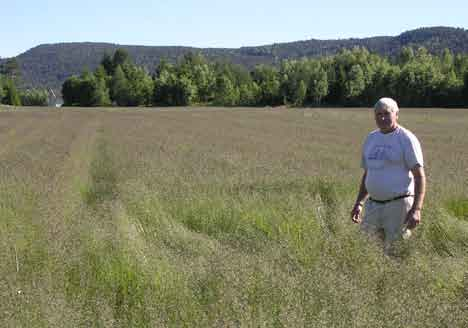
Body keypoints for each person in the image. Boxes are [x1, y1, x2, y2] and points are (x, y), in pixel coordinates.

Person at [350, 97, 426, 250]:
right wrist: (359, 203)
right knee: (366, 251)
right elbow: (368, 174)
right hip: (373, 205)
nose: (382, 118)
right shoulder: (371, 138)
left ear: (396, 114)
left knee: (396, 252)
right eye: (378, 114)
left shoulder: (406, 139)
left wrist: (416, 210)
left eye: (386, 113)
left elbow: (419, 176)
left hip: (398, 207)